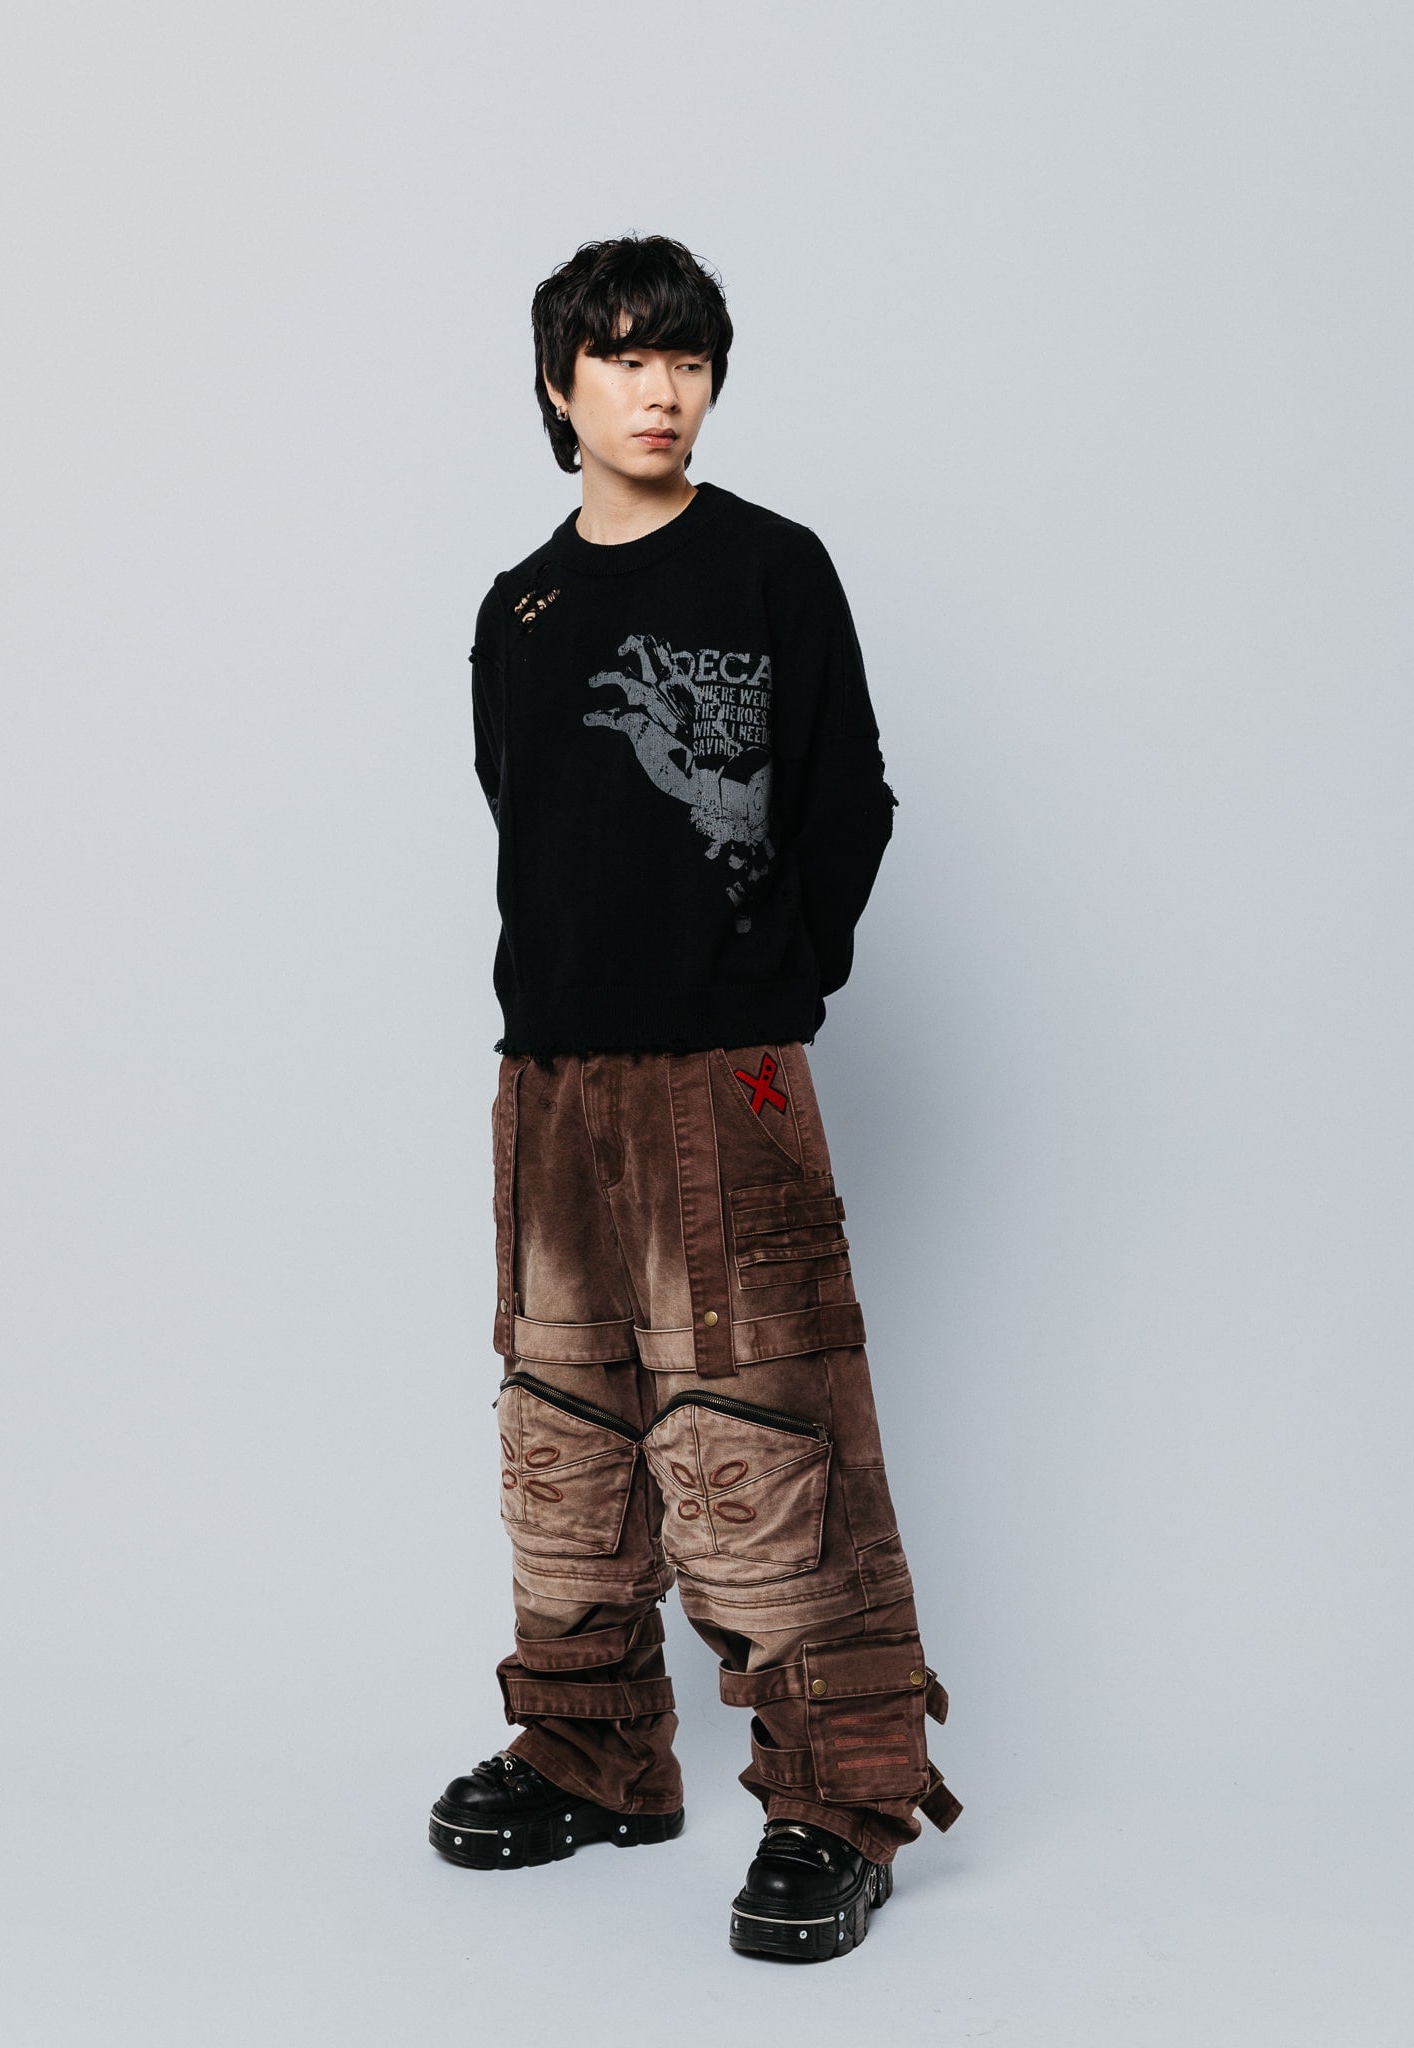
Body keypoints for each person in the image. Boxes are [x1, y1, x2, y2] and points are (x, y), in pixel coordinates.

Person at [429, 233, 961, 1963]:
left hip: (721, 1078)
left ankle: (842, 1799)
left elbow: (847, 796)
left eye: (687, 359)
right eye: (624, 356)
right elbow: (525, 820)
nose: (660, 391)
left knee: (765, 1429)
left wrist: (767, 986)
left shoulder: (769, 567)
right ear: (558, 384)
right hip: (548, 1085)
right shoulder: (519, 606)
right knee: (564, 1430)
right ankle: (591, 1754)